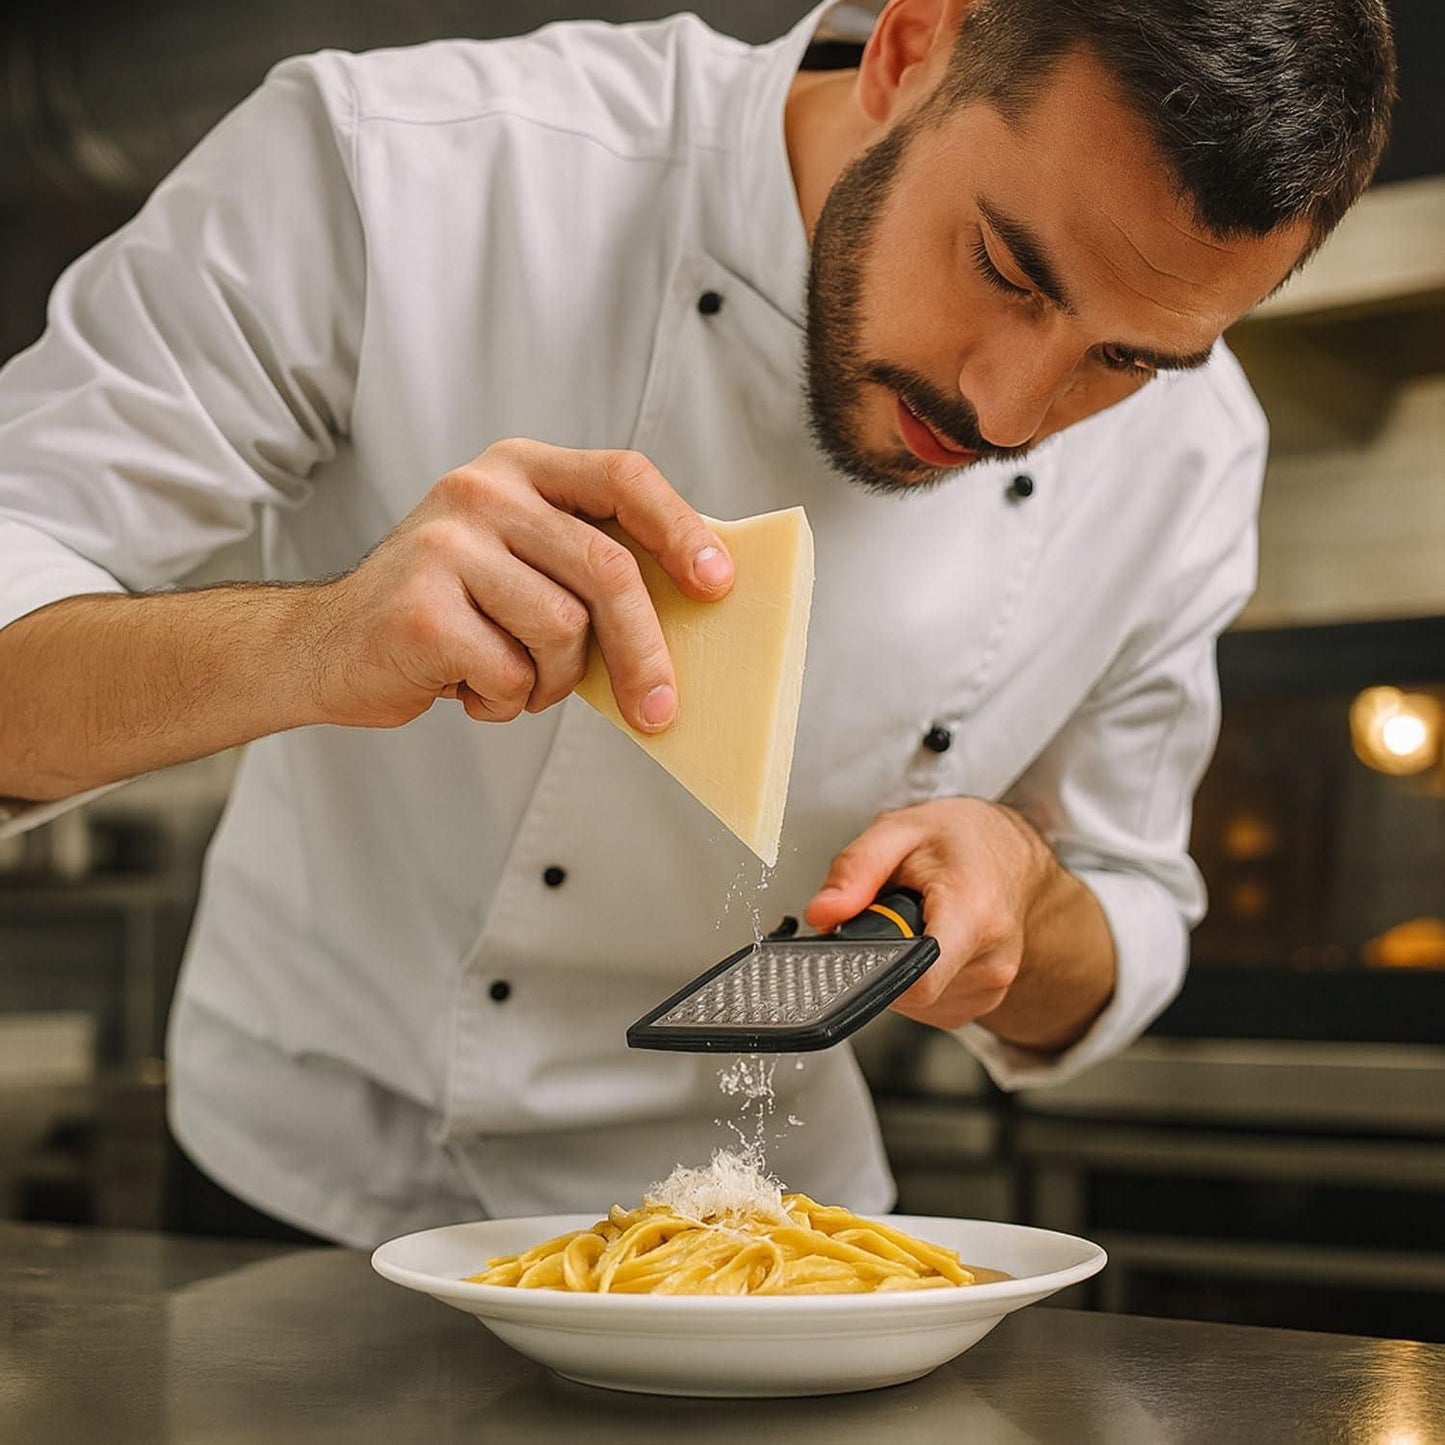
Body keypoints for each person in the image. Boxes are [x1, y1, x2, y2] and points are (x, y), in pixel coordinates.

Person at [0, 0, 1394, 1246]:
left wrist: (1026, 901)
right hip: (296, 1191)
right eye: (1005, 270)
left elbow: (1124, 921)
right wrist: (310, 643)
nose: (1008, 409)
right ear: (912, 46)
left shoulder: (1193, 457)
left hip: (760, 1236)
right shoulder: (403, 167)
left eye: (1124, 360)